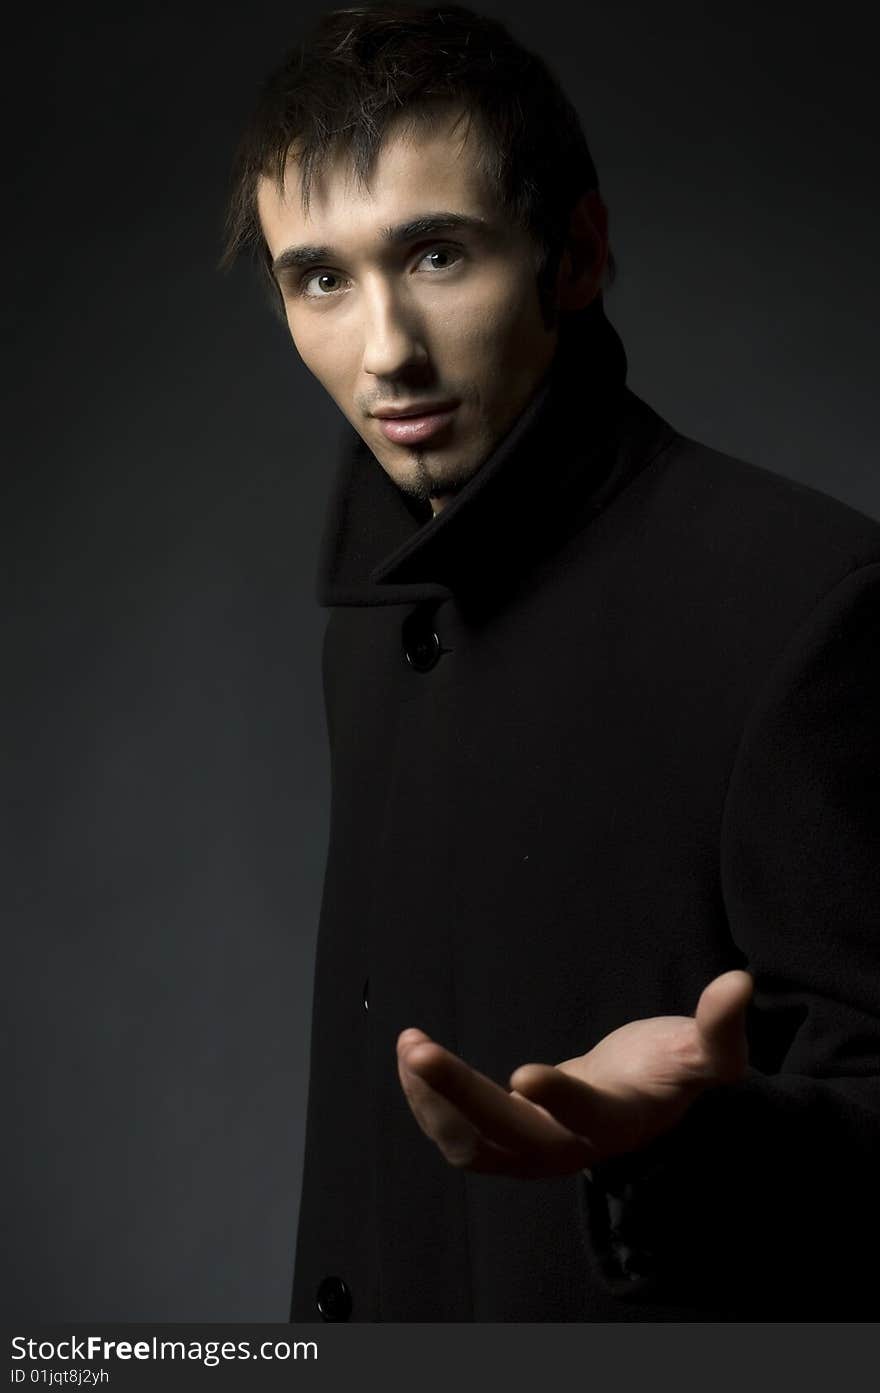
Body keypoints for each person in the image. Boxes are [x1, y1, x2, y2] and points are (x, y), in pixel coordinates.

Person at [220, 3, 880, 1321]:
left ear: (574, 254)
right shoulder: (369, 613)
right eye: (322, 277)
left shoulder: (810, 600)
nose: (385, 348)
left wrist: (699, 1143)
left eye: (439, 254)